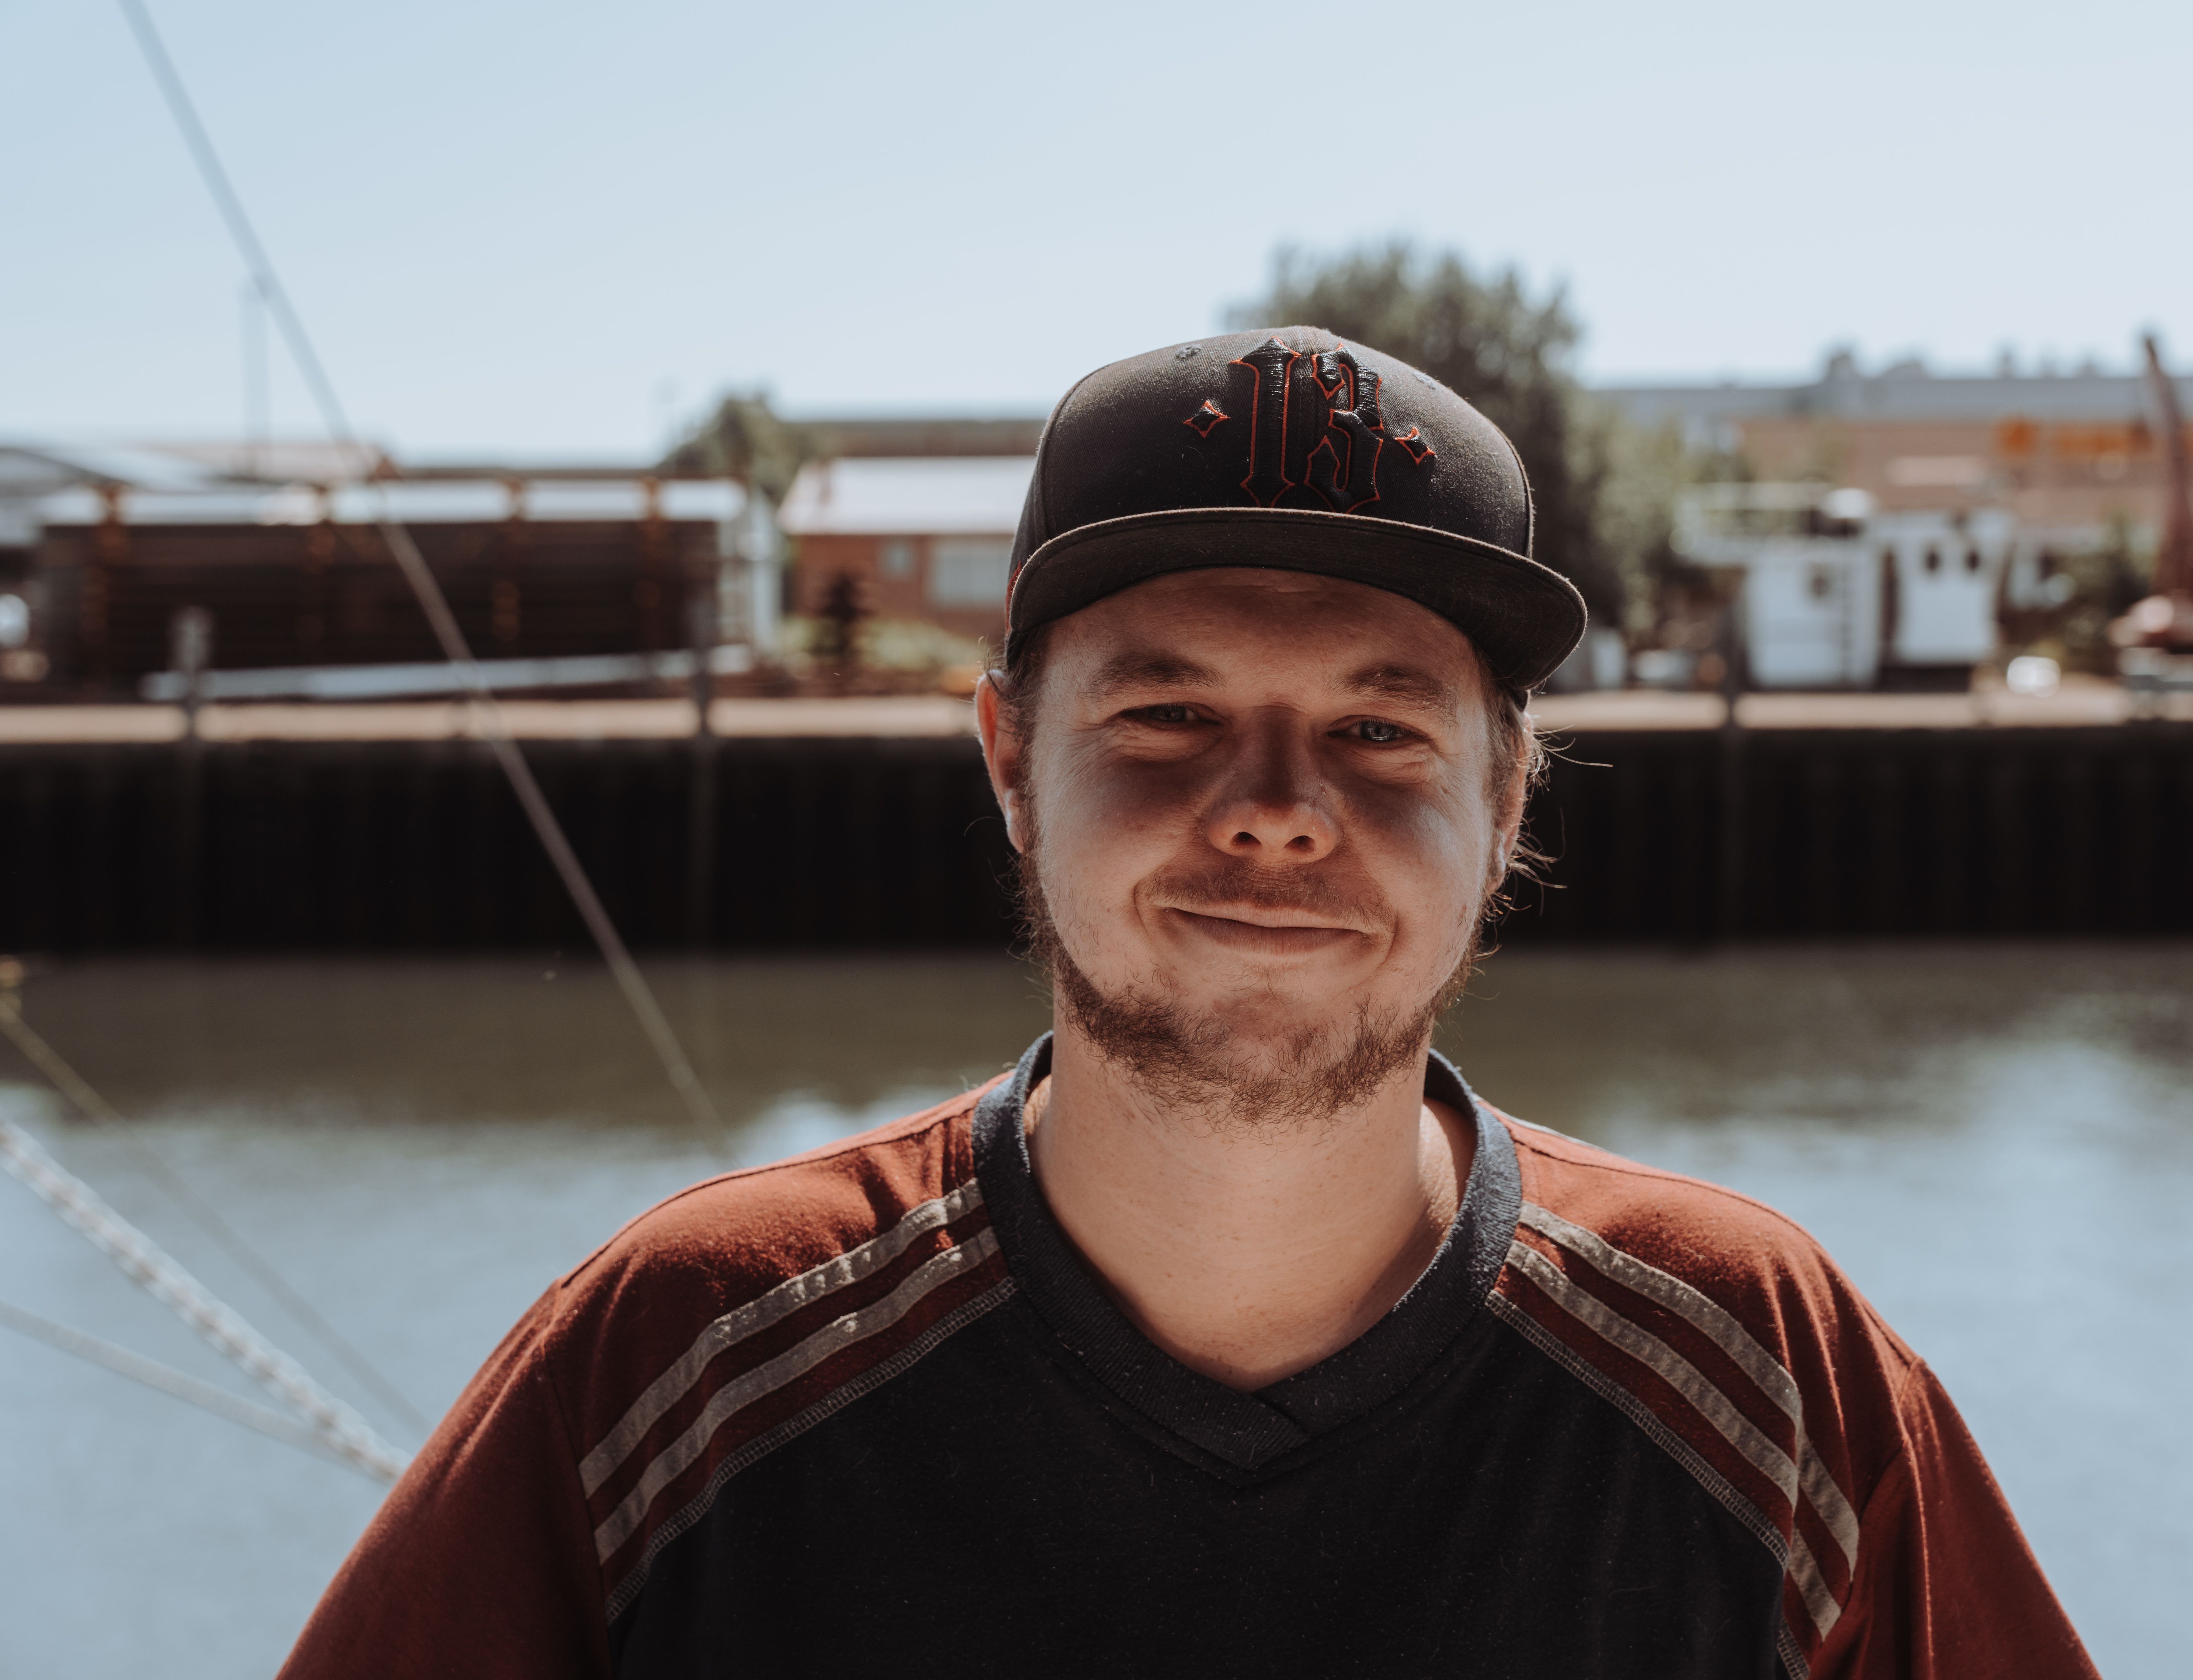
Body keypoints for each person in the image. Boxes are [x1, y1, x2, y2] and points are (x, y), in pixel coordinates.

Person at [280, 329, 2097, 1679]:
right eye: (1166, 715)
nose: (1278, 803)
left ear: (1510, 796)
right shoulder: (682, 1360)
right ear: (1009, 758)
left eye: (1380, 729)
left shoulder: (1763, 1377)